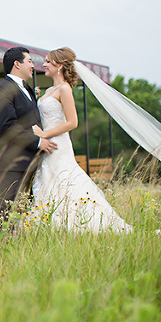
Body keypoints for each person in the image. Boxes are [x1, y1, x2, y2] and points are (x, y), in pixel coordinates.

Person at [30, 47, 132, 233]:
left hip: (58, 144)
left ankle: (75, 223)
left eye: (47, 61)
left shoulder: (64, 89)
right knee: (49, 180)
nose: (43, 64)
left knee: (64, 180)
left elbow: (73, 122)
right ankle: (52, 224)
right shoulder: (51, 89)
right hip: (48, 146)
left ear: (59, 66)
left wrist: (45, 134)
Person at [0, 47, 57, 225]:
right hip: (11, 162)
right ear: (17, 64)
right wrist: (37, 142)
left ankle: (17, 248)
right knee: (8, 211)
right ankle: (1, 248)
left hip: (28, 161)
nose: (33, 66)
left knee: (21, 213)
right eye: (29, 61)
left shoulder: (25, 89)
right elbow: (8, 126)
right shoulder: (2, 90)